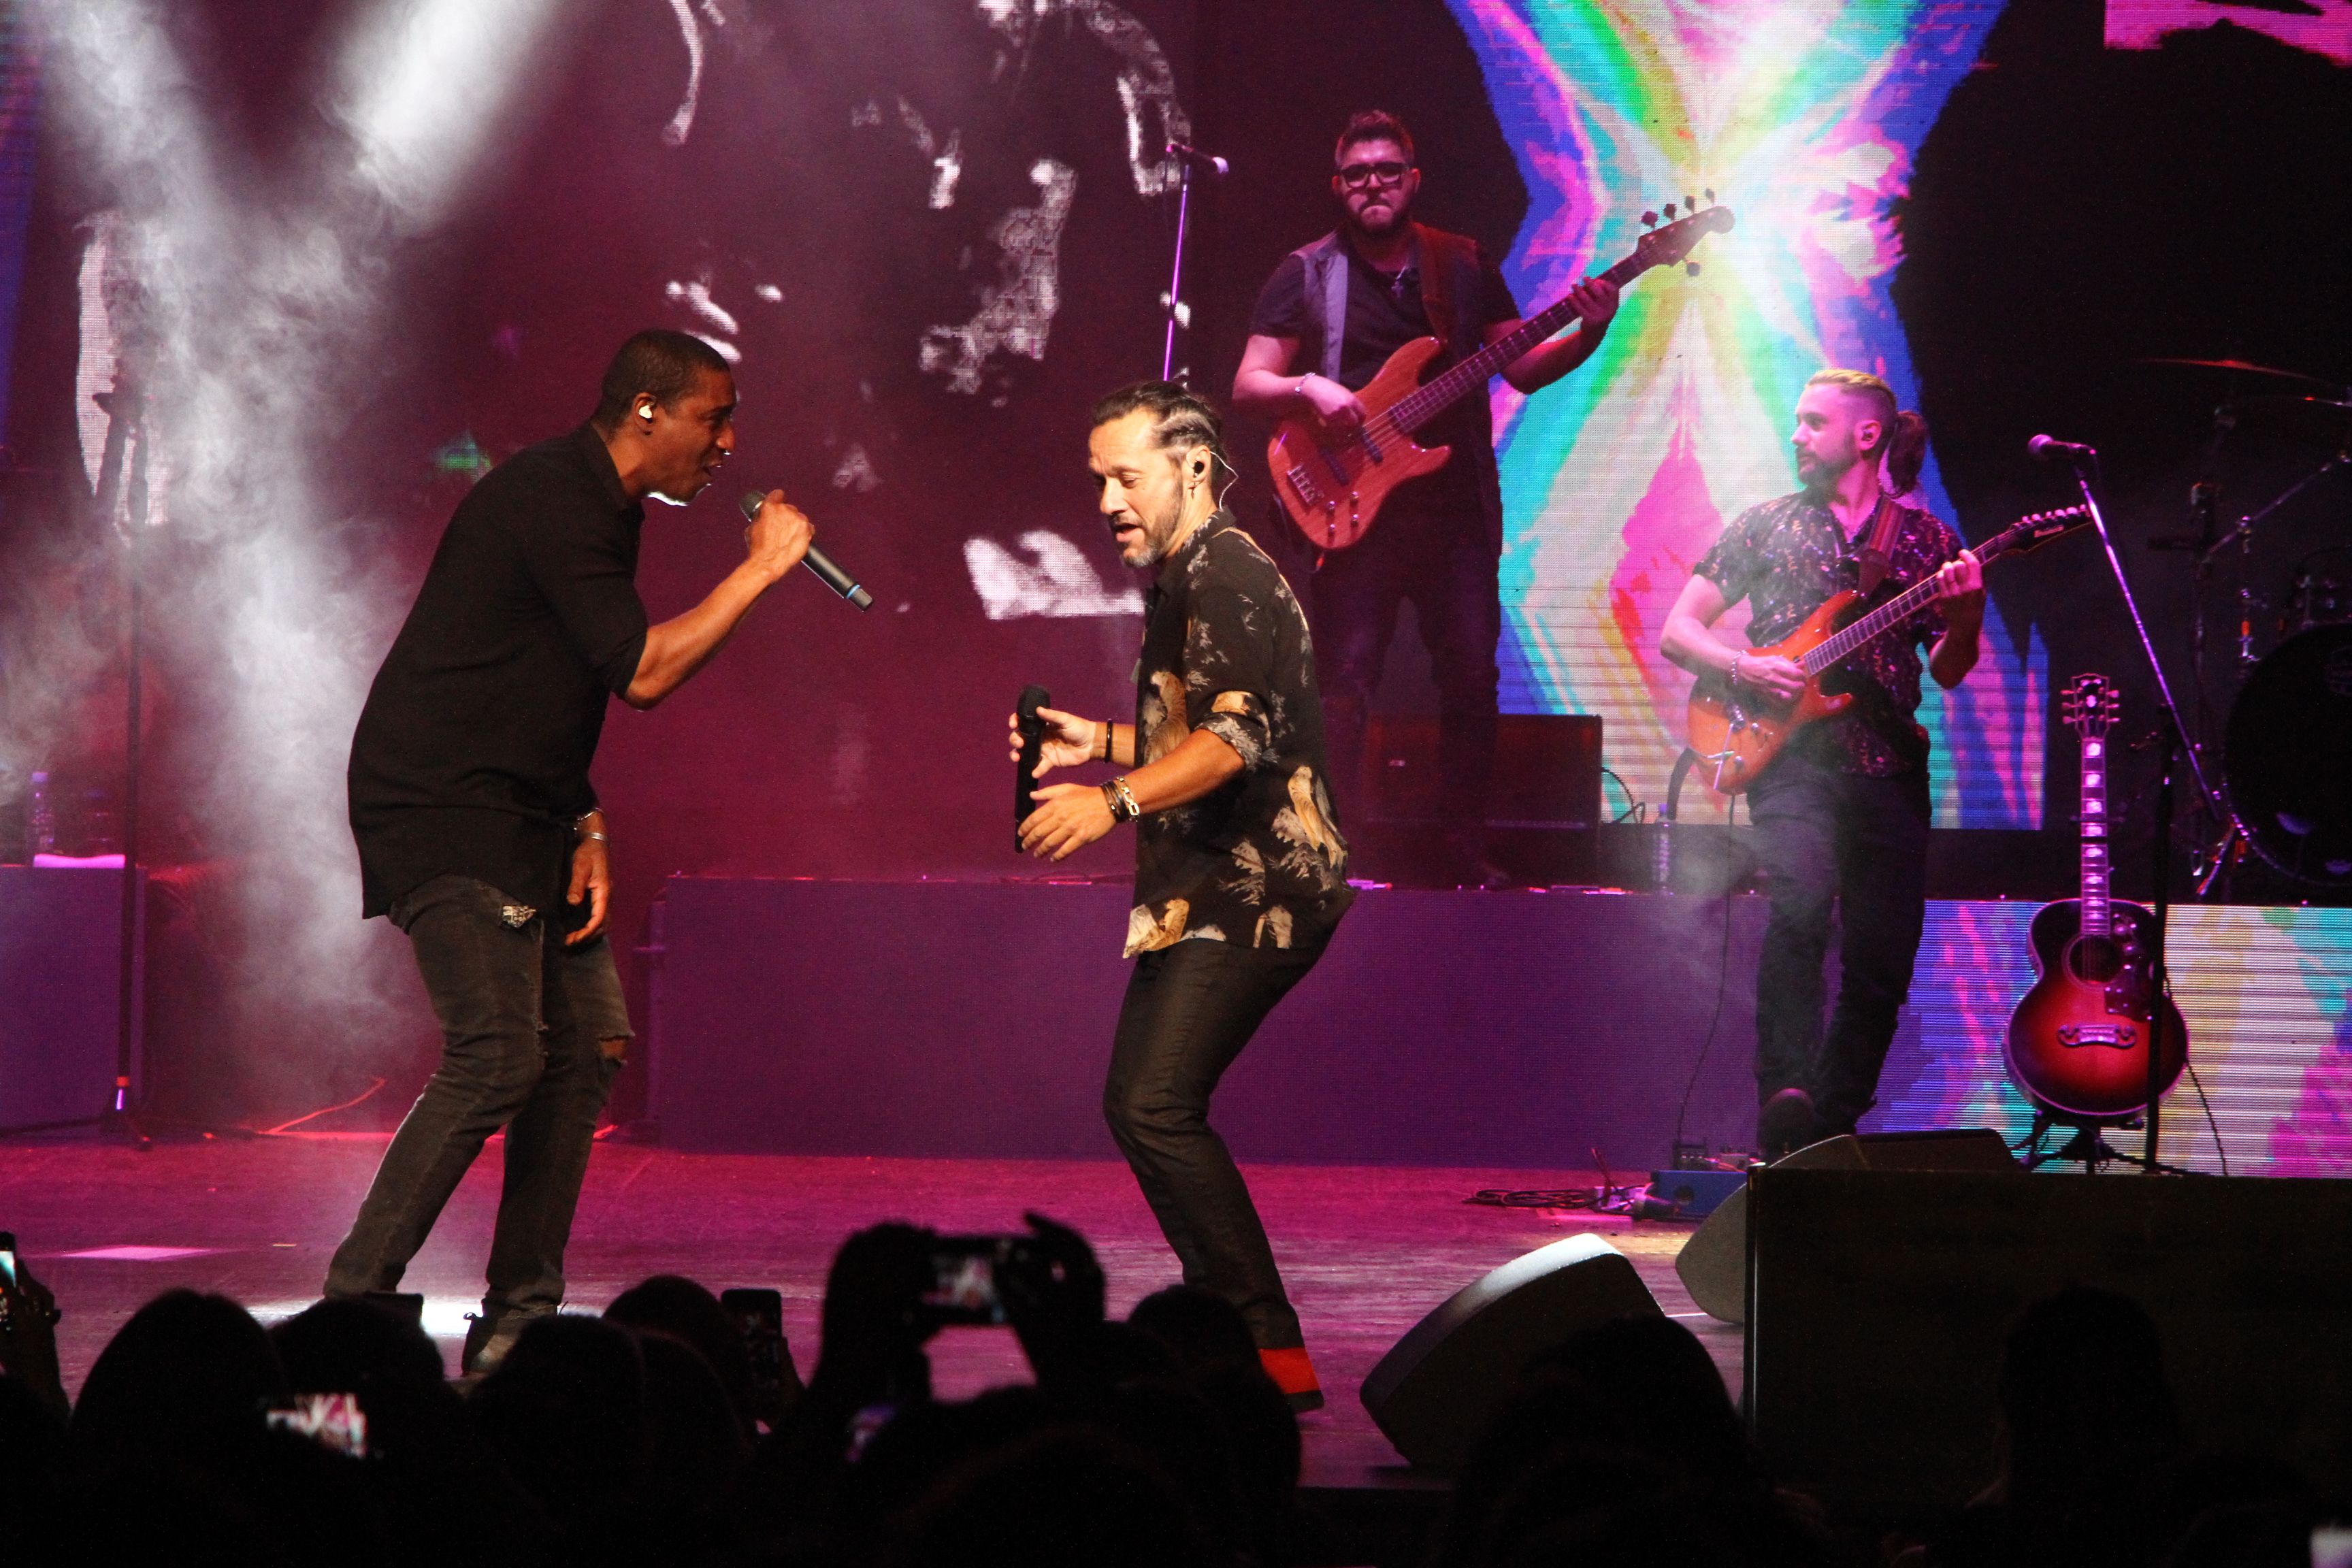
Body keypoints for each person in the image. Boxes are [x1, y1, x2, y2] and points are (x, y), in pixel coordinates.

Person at [333, 329, 815, 1371]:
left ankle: (519, 1322)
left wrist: (586, 818)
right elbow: (640, 673)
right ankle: (350, 1308)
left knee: (587, 1041)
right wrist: (762, 570)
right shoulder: (555, 494)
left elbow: (532, 678)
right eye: (713, 418)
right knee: (499, 1054)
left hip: (530, 808)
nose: (729, 443)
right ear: (647, 410)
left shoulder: (605, 507)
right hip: (447, 802)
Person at [1010, 381, 1352, 1410]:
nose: (1108, 502)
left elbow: (1237, 740)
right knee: (1146, 1105)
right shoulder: (1191, 575)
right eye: (1098, 481)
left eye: (1126, 477)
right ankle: (1243, 1347)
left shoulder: (1225, 570)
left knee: (1153, 1104)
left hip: (1257, 889)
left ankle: (1267, 1354)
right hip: (1211, 887)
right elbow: (1204, 733)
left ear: (1194, 465)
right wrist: (1101, 741)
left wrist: (1109, 800)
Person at [1232, 110, 1620, 886]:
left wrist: (1590, 333)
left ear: (1412, 180)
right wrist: (1310, 387)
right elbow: (1249, 383)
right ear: (1338, 186)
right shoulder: (1306, 272)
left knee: (1472, 681)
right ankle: (1327, 852)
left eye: (1387, 171)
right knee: (1344, 684)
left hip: (1454, 515)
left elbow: (1521, 366)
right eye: (1357, 174)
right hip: (1350, 508)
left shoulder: (1462, 264)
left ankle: (1461, 852)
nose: (1373, 184)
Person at [1659, 370, 1983, 1159]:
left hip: (1889, 765)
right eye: (1797, 421)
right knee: (1800, 908)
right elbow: (1678, 631)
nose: (1796, 436)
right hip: (1789, 759)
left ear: (1866, 436)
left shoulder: (1927, 542)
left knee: (1883, 955)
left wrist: (1968, 613)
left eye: (1812, 422)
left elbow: (1948, 670)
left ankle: (1830, 1125)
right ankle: (1785, 1094)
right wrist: (1743, 666)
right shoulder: (1766, 525)